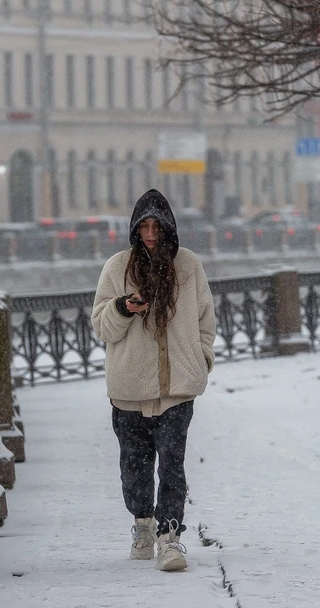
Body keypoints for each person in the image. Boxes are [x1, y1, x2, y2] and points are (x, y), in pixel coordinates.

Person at [92, 189, 216, 572]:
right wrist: (122, 308)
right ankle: (142, 525)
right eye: (143, 227)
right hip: (129, 390)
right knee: (135, 470)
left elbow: (205, 320)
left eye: (156, 226)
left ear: (168, 228)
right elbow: (101, 326)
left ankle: (170, 537)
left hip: (178, 389)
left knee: (172, 467)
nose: (150, 234)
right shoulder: (117, 268)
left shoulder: (189, 266)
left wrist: (202, 358)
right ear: (134, 229)